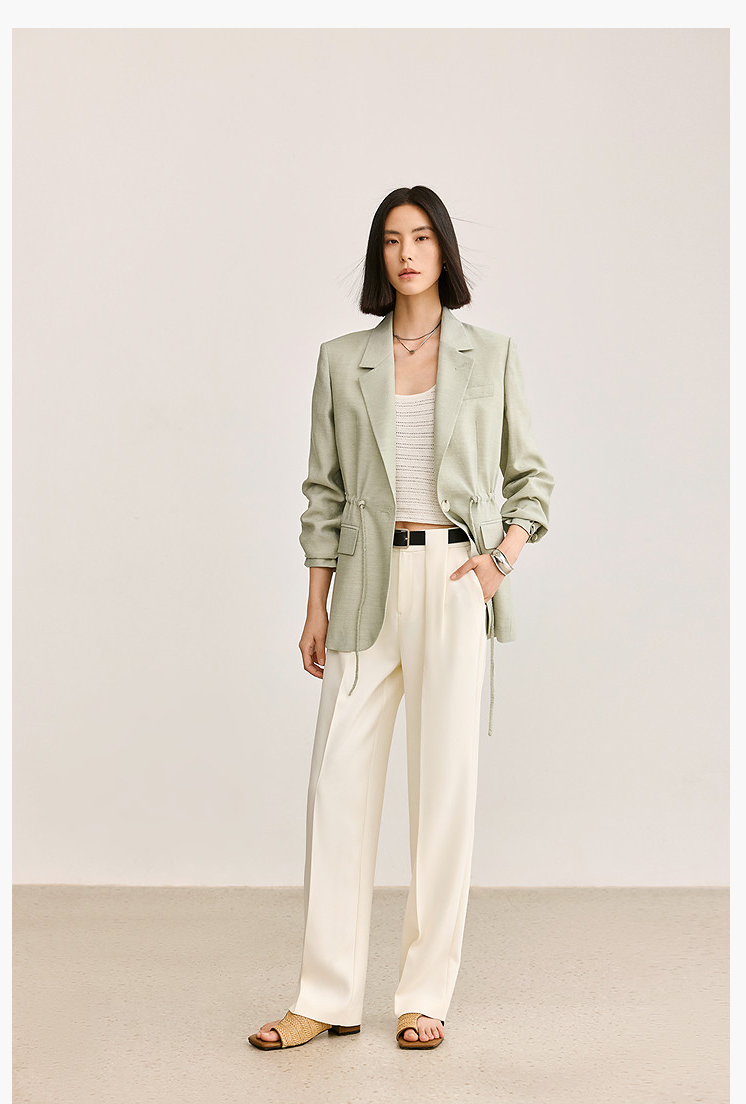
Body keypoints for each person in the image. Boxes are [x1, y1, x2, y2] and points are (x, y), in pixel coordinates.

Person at [249, 185, 555, 1052]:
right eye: (391, 239)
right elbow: (324, 492)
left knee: (444, 792)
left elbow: (532, 480)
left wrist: (499, 563)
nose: (407, 253)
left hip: (454, 581)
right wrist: (314, 603)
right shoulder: (342, 359)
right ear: (378, 256)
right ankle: (326, 996)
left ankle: (425, 996)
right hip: (364, 582)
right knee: (337, 788)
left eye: (421, 237)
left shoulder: (491, 356)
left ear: (443, 250)